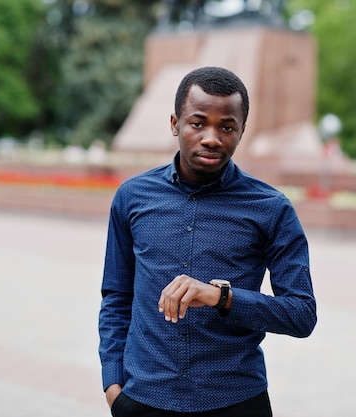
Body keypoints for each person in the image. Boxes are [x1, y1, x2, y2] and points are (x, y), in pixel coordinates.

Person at [98, 66, 317, 417]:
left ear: (242, 131)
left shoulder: (271, 209)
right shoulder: (132, 197)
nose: (212, 137)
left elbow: (301, 314)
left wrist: (221, 297)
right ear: (175, 124)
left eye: (226, 126)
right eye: (198, 123)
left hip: (235, 400)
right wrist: (113, 386)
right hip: (144, 399)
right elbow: (116, 297)